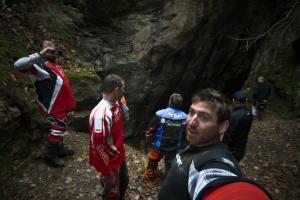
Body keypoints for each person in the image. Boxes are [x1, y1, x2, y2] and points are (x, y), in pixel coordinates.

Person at [158, 88, 271, 200]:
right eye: (191, 112)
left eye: (204, 117)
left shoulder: (215, 163)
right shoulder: (196, 143)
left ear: (222, 126)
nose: (191, 122)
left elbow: (220, 184)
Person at [14, 40, 75, 167]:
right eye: (47, 49)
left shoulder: (54, 65)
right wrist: (39, 55)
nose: (51, 52)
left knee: (62, 128)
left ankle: (60, 150)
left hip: (62, 105)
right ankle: (50, 157)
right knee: (57, 130)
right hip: (52, 106)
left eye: (53, 49)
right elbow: (17, 65)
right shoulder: (38, 66)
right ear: (42, 50)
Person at [88, 74, 129, 200]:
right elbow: (98, 146)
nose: (124, 91)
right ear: (116, 90)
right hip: (110, 161)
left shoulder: (115, 102)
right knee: (112, 194)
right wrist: (107, 173)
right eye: (123, 89)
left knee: (124, 181)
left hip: (118, 153)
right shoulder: (101, 115)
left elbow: (123, 115)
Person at [144, 93, 187, 180]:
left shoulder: (160, 114)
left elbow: (151, 127)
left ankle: (149, 175)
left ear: (170, 101)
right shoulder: (185, 117)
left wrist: (148, 135)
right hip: (175, 145)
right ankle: (168, 179)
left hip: (159, 144)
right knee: (170, 163)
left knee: (153, 158)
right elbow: (186, 133)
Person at [222, 91, 253, 162]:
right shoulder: (249, 114)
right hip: (241, 149)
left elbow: (229, 134)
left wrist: (222, 147)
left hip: (232, 150)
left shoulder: (235, 116)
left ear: (234, 100)